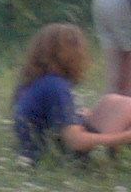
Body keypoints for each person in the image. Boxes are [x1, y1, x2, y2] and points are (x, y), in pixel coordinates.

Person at [14, 22, 131, 162]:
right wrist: (125, 137)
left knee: (110, 100)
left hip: (42, 150)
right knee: (127, 106)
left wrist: (77, 117)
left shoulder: (36, 83)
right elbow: (75, 141)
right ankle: (108, 157)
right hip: (58, 159)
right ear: (68, 55)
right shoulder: (55, 85)